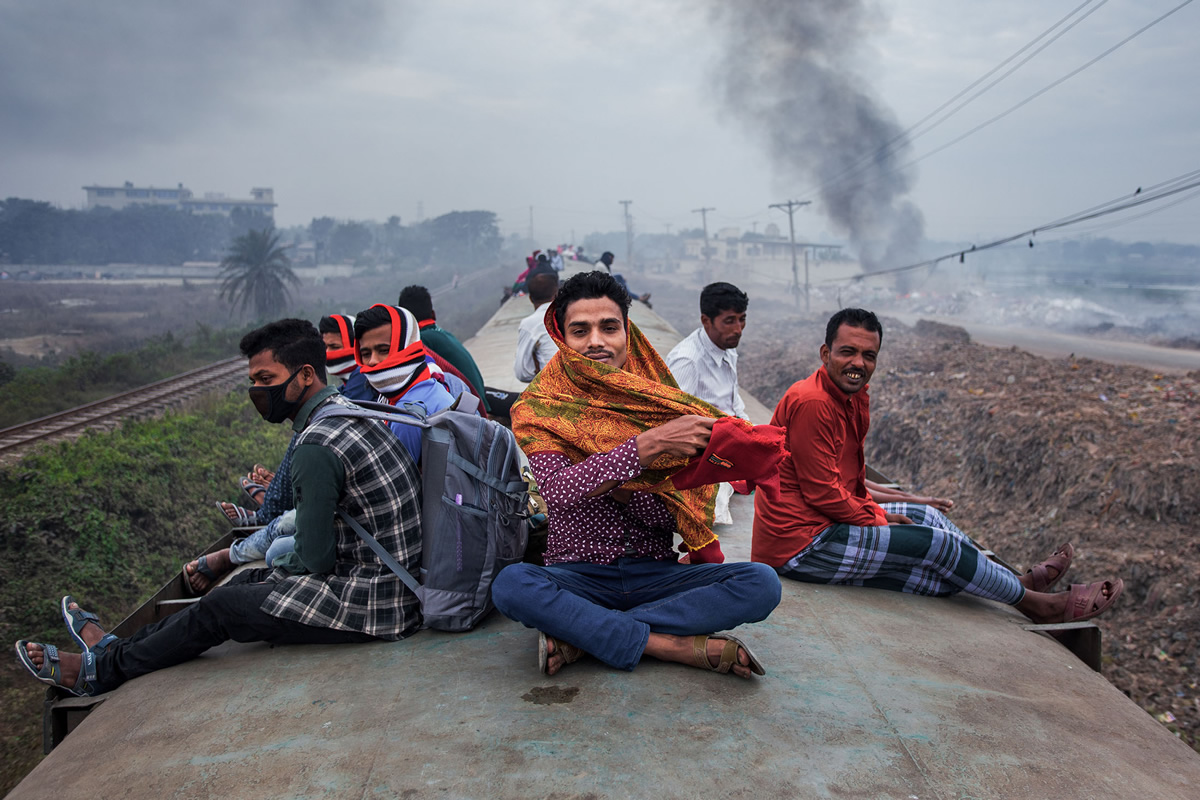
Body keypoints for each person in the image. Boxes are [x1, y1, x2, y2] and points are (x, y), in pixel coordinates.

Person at [16, 319, 423, 697]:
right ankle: (113, 650)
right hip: (391, 580)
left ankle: (98, 673)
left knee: (221, 608)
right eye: (253, 381)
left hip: (377, 603)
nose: (258, 392)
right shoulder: (350, 411)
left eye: (267, 379)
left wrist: (281, 565)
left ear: (305, 375)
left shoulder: (316, 445)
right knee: (245, 585)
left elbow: (316, 558)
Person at [491, 270, 782, 678]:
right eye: (580, 330)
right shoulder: (540, 407)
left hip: (655, 572)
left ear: (627, 331)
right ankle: (668, 644)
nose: (596, 341)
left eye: (609, 327)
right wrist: (650, 447)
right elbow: (557, 491)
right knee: (512, 585)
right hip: (577, 574)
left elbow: (672, 514)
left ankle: (583, 633)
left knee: (762, 584)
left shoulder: (657, 401)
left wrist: (627, 479)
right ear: (562, 337)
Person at [751, 308, 1123, 625]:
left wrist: (907, 500)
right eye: (848, 352)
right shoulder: (814, 402)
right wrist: (877, 517)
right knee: (936, 549)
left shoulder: (851, 396)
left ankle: (1016, 581)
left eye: (869, 355)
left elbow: (847, 477)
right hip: (801, 546)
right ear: (825, 353)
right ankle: (1037, 604)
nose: (858, 364)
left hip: (824, 522)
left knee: (927, 522)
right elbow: (823, 492)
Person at [666, 282, 749, 525]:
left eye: (742, 319)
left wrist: (748, 432)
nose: (738, 329)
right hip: (705, 446)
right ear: (706, 320)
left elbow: (733, 400)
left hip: (731, 436)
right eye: (730, 320)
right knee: (714, 497)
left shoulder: (726, 346)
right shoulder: (687, 361)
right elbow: (672, 421)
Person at [354, 303, 457, 463]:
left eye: (383, 350)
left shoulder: (406, 415)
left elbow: (398, 483)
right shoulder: (427, 384)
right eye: (366, 353)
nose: (372, 361)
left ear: (407, 347)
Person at [397, 284, 490, 411]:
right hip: (479, 400)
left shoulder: (421, 341)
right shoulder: (442, 333)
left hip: (471, 407)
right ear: (433, 314)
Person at [513, 268, 559, 382]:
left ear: (530, 298)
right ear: (557, 294)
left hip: (555, 387)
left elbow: (522, 373)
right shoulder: (570, 314)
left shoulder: (529, 324)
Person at [318, 313, 374, 403]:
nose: (327, 353)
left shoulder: (362, 377)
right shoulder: (346, 384)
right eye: (325, 347)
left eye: (334, 347)